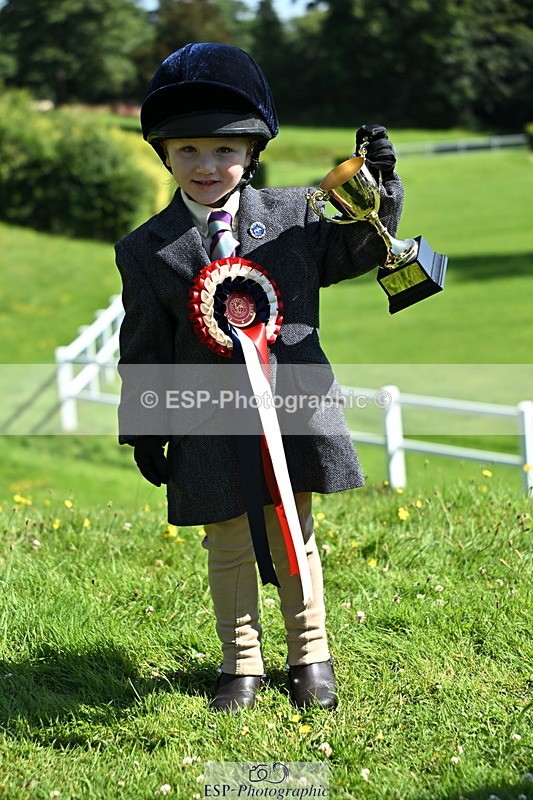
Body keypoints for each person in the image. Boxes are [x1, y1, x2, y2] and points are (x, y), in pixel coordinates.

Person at [116, 42, 403, 713]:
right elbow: (143, 345)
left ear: (251, 152)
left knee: (291, 527)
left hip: (292, 409)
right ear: (164, 155)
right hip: (204, 421)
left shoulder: (299, 214)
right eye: (187, 150)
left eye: (223, 150)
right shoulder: (144, 248)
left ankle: (311, 655)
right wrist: (145, 430)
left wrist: (384, 198)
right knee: (226, 541)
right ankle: (239, 663)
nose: (206, 165)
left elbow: (358, 249)